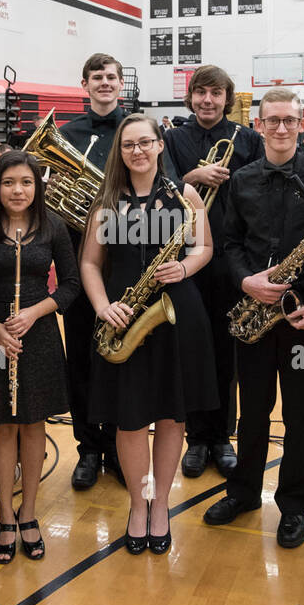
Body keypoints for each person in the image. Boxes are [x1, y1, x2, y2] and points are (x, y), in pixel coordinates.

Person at [203, 88, 304, 547]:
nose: (281, 128)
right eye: (272, 121)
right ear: (258, 126)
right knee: (254, 410)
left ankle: (294, 506)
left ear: (303, 126)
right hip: (255, 312)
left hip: (303, 316)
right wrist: (247, 282)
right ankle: (244, 493)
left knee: (301, 414)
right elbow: (229, 246)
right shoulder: (241, 181)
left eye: (289, 120)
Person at [80, 114, 216, 555]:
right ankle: (139, 505)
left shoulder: (186, 194)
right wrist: (103, 307)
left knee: (172, 416)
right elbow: (89, 264)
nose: (137, 151)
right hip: (124, 317)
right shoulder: (106, 201)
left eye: (145, 142)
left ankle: (162, 508)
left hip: (176, 314)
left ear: (160, 145)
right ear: (119, 152)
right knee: (130, 418)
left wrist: (185, 266)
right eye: (128, 145)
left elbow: (205, 248)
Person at [0, 151, 80, 563]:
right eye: (9, 182)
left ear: (37, 186)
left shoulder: (53, 227)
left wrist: (34, 312)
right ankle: (5, 515)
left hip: (38, 333)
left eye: (26, 183)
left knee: (33, 425)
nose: (18, 190)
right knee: (0, 428)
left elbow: (70, 285)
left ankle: (28, 513)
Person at [163, 64, 263, 478]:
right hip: (185, 256)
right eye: (201, 92)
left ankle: (222, 436)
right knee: (188, 349)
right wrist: (192, 176)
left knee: (227, 351)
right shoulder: (172, 138)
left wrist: (231, 179)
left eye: (216, 93)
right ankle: (196, 438)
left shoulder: (249, 139)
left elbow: (259, 189)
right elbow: (159, 184)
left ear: (227, 98)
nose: (208, 100)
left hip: (230, 258)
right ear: (191, 97)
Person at [63, 53, 129, 490]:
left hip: (126, 260)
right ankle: (88, 448)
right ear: (85, 84)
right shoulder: (67, 134)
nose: (104, 83)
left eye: (112, 77)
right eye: (97, 78)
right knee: (83, 360)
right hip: (77, 257)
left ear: (121, 84)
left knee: (124, 359)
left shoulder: (138, 130)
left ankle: (121, 449)